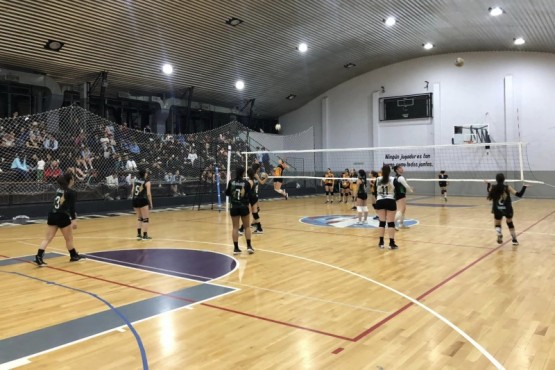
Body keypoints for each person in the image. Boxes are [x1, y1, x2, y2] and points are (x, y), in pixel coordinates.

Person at [34, 172, 84, 265]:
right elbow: (72, 208)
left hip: (52, 214)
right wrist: (74, 219)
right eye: (73, 178)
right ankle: (73, 256)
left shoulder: (59, 189)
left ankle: (39, 256)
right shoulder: (71, 192)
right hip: (62, 216)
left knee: (47, 238)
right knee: (69, 239)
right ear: (70, 181)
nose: (74, 180)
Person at [486, 173, 527, 245]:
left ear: (496, 179)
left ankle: (499, 234)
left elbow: (488, 191)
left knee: (497, 223)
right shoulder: (507, 187)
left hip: (497, 208)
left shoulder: (493, 187)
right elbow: (519, 194)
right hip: (507, 208)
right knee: (509, 223)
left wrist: (488, 184)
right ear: (504, 179)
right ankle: (514, 240)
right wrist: (524, 187)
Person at [225, 166, 254, 255]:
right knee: (247, 227)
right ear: (243, 173)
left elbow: (227, 193)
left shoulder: (231, 182)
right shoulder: (246, 183)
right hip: (243, 206)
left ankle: (236, 248)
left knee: (235, 227)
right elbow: (250, 195)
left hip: (234, 206)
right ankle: (249, 246)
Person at [375, 165, 398, 249]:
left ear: (382, 171)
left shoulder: (377, 179)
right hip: (390, 201)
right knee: (391, 223)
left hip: (380, 201)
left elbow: (375, 193)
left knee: (382, 222)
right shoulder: (393, 179)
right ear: (389, 171)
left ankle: (381, 242)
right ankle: (391, 243)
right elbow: (397, 192)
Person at [132, 168, 153, 240]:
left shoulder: (135, 180)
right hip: (142, 200)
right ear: (145, 174)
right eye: (146, 173)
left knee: (139, 218)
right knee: (145, 219)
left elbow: (132, 191)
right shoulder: (147, 182)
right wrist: (151, 203)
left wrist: (134, 199)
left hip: (135, 199)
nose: (147, 174)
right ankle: (145, 235)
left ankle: (138, 234)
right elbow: (148, 194)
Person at [393, 165, 414, 230]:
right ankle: (392, 223)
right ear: (397, 170)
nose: (402, 169)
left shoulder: (396, 177)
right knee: (401, 210)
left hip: (399, 194)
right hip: (400, 195)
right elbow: (406, 186)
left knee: (403, 210)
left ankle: (401, 224)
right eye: (400, 168)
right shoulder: (400, 177)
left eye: (402, 167)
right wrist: (411, 190)